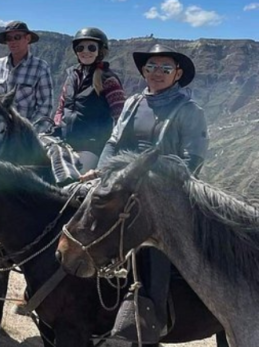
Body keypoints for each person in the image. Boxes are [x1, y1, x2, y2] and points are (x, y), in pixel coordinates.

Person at [87, 44, 208, 343]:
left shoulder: (189, 110)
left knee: (155, 246)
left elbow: (193, 159)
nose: (157, 73)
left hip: (166, 194)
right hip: (126, 186)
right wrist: (102, 174)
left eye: (165, 68)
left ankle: (150, 318)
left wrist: (151, 180)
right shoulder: (132, 103)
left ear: (177, 74)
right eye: (151, 67)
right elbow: (114, 143)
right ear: (143, 71)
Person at [52, 27, 125, 169]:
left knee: (74, 181)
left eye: (91, 48)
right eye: (80, 48)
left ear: (100, 51)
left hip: (92, 146)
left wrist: (113, 148)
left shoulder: (108, 79)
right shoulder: (72, 77)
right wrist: (56, 124)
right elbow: (61, 108)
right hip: (66, 141)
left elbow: (120, 116)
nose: (85, 51)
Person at [0, 21, 54, 134]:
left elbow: (45, 106)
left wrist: (30, 132)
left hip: (24, 134)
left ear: (27, 39)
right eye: (9, 38)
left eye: (17, 37)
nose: (12, 42)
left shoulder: (40, 68)